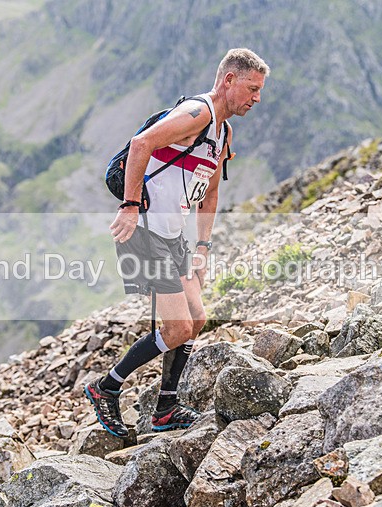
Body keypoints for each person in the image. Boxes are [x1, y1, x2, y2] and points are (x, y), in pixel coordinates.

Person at [85, 48, 269, 437]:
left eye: (260, 91)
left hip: (174, 239)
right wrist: (131, 205)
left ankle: (165, 408)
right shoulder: (197, 113)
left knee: (197, 319)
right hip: (147, 230)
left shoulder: (223, 132)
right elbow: (141, 144)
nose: (256, 98)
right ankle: (106, 387)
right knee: (178, 328)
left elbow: (211, 193)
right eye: (251, 88)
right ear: (228, 80)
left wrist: (202, 248)